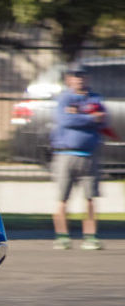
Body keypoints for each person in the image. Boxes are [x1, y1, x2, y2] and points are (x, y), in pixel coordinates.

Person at [50, 63, 106, 250]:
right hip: (65, 155)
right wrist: (90, 117)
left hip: (89, 156)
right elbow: (65, 120)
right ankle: (62, 237)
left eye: (82, 76)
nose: (79, 79)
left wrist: (79, 114)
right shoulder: (64, 98)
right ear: (69, 79)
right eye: (75, 76)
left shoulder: (95, 98)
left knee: (90, 199)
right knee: (62, 198)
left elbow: (103, 120)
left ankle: (90, 237)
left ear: (87, 78)